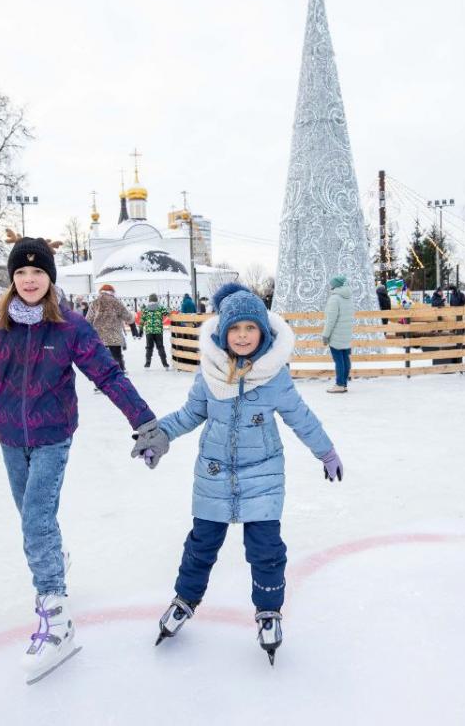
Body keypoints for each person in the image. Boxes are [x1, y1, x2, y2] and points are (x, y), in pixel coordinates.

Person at [0, 238, 159, 683]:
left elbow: (108, 374)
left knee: (35, 522)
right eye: (22, 274)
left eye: (38, 273)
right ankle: (53, 557)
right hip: (9, 437)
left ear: (50, 278)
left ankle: (56, 619)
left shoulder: (70, 328)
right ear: (12, 279)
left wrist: (145, 423)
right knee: (34, 517)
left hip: (52, 436)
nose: (29, 280)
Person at [132, 283, 342, 663]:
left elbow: (300, 417)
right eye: (235, 329)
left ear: (262, 332)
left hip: (263, 476)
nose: (242, 336)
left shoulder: (275, 377)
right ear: (223, 332)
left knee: (266, 551)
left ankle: (268, 611)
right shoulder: (208, 373)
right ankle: (185, 600)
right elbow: (189, 414)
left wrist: (325, 451)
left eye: (250, 328)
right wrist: (160, 434)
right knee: (200, 546)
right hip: (213, 474)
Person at [86, 284, 132, 372]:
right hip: (114, 335)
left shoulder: (95, 303)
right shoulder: (116, 302)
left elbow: (88, 320)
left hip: (99, 335)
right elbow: (127, 316)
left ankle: (101, 373)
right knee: (117, 356)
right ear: (112, 292)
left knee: (100, 356)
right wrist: (131, 320)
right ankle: (120, 372)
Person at [322, 275, 355, 394]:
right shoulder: (349, 297)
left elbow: (330, 319)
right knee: (345, 359)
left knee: (339, 361)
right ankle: (344, 383)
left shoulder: (335, 299)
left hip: (336, 334)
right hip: (346, 333)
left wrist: (326, 335)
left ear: (335, 285)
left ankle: (340, 384)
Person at [141, 293, 171, 369]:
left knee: (149, 347)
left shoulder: (146, 309)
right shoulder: (160, 307)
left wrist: (140, 329)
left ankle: (147, 363)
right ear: (156, 300)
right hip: (158, 332)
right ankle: (165, 364)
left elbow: (142, 320)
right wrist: (168, 309)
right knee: (160, 347)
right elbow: (167, 313)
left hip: (149, 332)